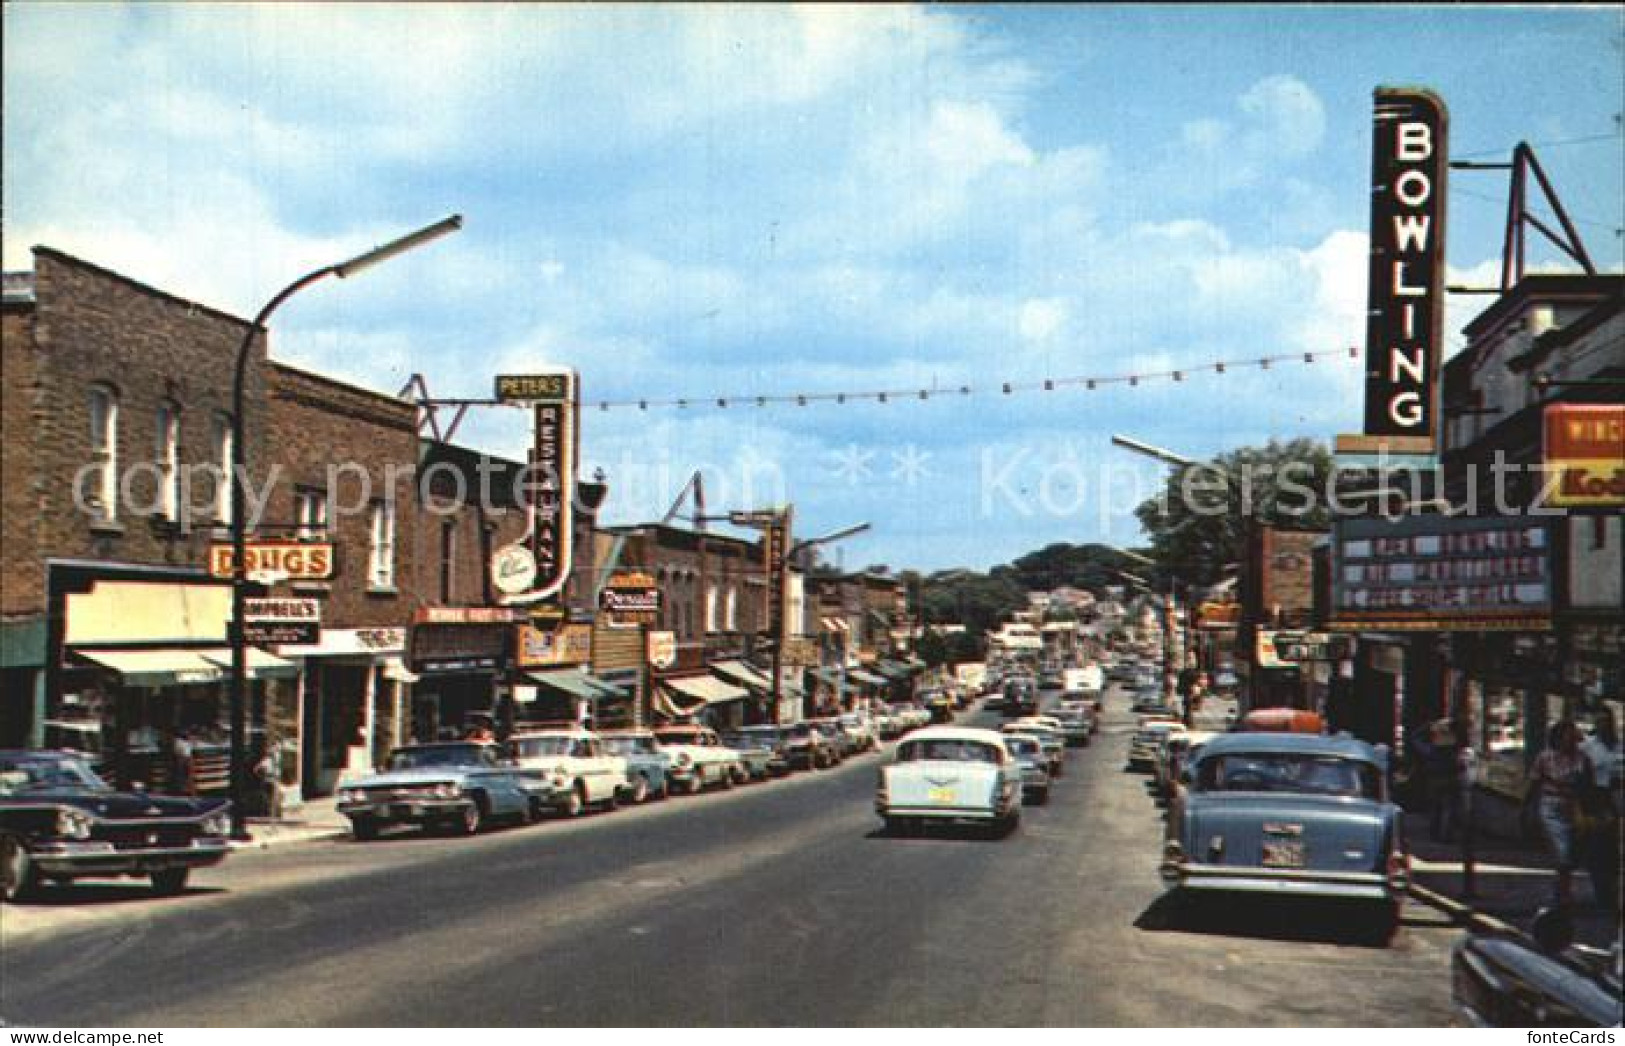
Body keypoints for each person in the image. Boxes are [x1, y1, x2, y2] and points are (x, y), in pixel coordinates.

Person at [1527, 720, 1594, 906]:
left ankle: (1561, 886)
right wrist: (1528, 809)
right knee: (1562, 850)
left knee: (1572, 852)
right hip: (1551, 806)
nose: (1571, 741)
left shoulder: (1582, 759)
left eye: (1573, 737)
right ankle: (1563, 892)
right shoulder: (1545, 758)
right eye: (1567, 736)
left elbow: (1589, 786)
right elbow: (1534, 784)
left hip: (1573, 807)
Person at [1577, 708, 1621, 916]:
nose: (1604, 726)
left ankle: (1614, 890)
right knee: (1599, 848)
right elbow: (1582, 777)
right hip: (1598, 799)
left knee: (1615, 851)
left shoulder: (1621, 746)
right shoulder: (1587, 747)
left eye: (1607, 721)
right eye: (1600, 721)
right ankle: (1603, 894)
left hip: (1619, 798)